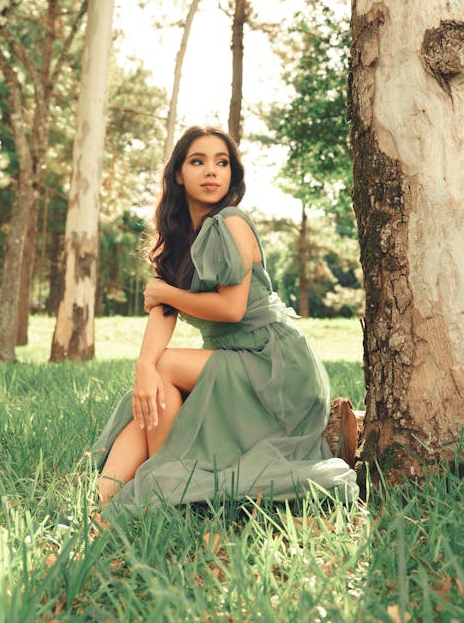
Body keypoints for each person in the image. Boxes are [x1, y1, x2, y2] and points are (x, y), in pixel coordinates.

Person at [91, 126, 358, 513]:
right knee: (149, 395)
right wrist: (143, 368)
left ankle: (168, 487)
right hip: (236, 359)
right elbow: (163, 317)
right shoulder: (179, 237)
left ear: (233, 174)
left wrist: (166, 295)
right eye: (198, 162)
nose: (211, 171)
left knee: (165, 368)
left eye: (222, 162)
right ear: (178, 174)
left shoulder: (230, 222)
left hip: (273, 362)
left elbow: (231, 308)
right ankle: (100, 500)